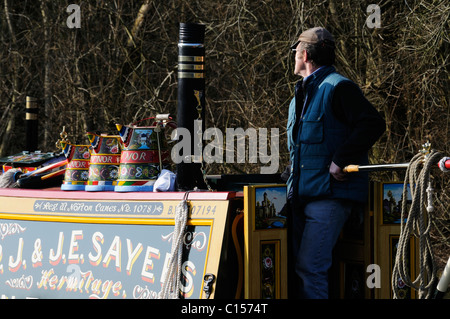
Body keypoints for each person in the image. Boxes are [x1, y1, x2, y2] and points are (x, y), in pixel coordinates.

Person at [286, 27, 385, 298]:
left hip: (329, 197)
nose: (293, 57)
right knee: (298, 271)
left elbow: (372, 124)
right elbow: (303, 150)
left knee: (310, 268)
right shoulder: (302, 94)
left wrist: (340, 159)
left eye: (295, 52)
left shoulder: (339, 87)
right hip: (303, 197)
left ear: (304, 54)